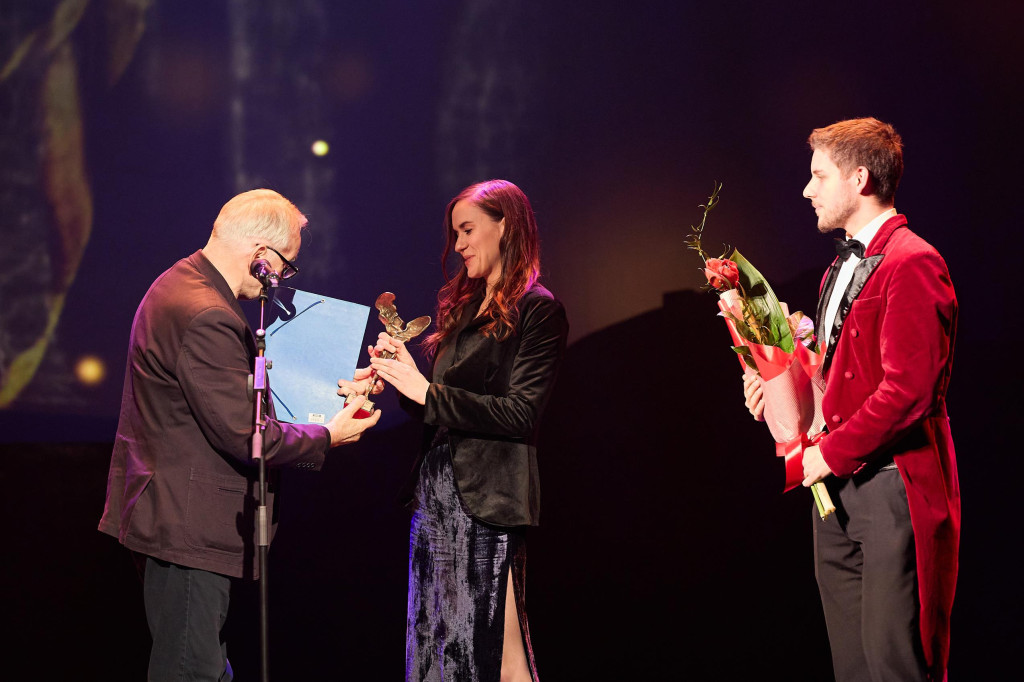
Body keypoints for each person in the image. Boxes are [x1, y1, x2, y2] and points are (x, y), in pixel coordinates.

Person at [98, 188, 381, 681]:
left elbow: (229, 395)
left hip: (171, 520)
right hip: (186, 528)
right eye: (287, 266)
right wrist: (327, 435)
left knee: (205, 669)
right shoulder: (207, 312)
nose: (283, 280)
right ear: (261, 256)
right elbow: (248, 437)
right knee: (192, 673)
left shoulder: (183, 285)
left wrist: (327, 390)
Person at [744, 118, 959, 681]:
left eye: (819, 176)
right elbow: (843, 380)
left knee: (895, 664)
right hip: (839, 496)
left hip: (891, 487)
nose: (807, 190)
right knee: (854, 668)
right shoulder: (840, 266)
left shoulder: (913, 262)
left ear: (859, 178)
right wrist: (781, 378)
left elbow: (909, 391)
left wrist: (831, 453)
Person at [347, 179, 568, 681]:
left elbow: (519, 414)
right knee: (436, 647)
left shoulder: (539, 310)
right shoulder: (465, 309)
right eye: (456, 235)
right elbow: (439, 409)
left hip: (488, 501)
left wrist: (426, 392)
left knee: (500, 656)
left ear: (505, 225)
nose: (460, 245)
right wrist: (402, 376)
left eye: (468, 230)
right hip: (436, 498)